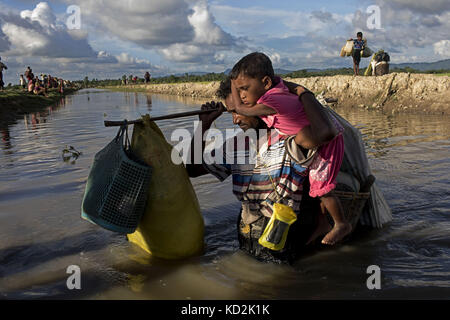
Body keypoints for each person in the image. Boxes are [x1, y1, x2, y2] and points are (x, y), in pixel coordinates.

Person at [184, 77, 338, 262]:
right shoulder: (236, 146)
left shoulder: (291, 141)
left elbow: (326, 132)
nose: (235, 120)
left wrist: (302, 92)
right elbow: (191, 170)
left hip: (281, 239)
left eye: (240, 111)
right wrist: (204, 125)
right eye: (232, 113)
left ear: (261, 105)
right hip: (246, 234)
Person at [229, 52, 351, 245]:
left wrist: (232, 88)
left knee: (322, 188)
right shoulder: (277, 89)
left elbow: (243, 109)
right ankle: (323, 223)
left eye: (244, 89)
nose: (242, 96)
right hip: (317, 136)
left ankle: (341, 224)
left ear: (266, 83)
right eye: (239, 90)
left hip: (326, 144)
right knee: (314, 184)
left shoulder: (272, 101)